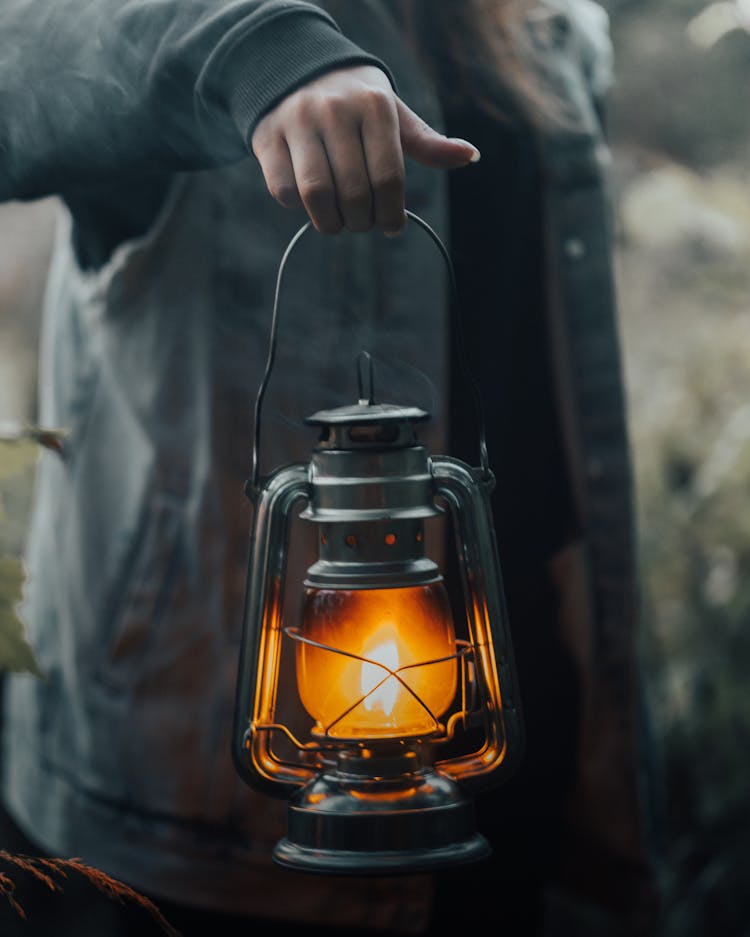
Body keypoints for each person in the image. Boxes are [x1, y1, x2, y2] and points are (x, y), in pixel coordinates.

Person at [0, 1, 660, 934]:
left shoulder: (538, 31)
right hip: (199, 829)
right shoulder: (181, 18)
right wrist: (260, 53)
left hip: (507, 758)